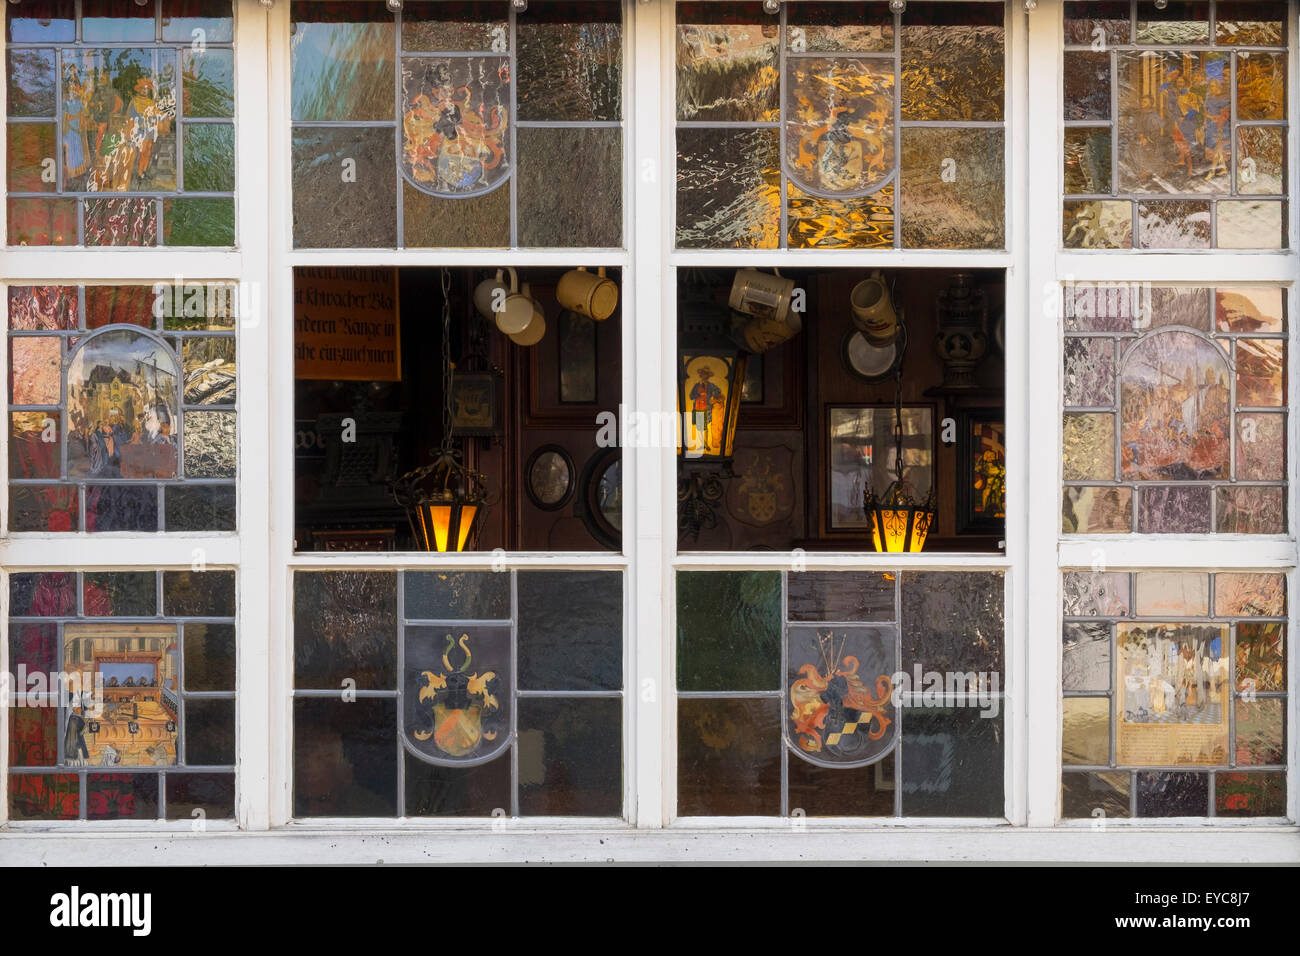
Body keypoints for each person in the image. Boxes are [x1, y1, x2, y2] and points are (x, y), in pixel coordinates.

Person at [688, 365, 724, 453]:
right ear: (701, 375)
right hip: (698, 407)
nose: (704, 376)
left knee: (706, 427)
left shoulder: (711, 386)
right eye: (703, 374)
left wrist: (714, 396)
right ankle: (701, 444)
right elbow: (691, 396)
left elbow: (718, 392)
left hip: (707, 408)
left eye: (706, 375)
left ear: (708, 376)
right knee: (700, 427)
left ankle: (706, 444)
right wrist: (699, 395)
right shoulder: (697, 386)